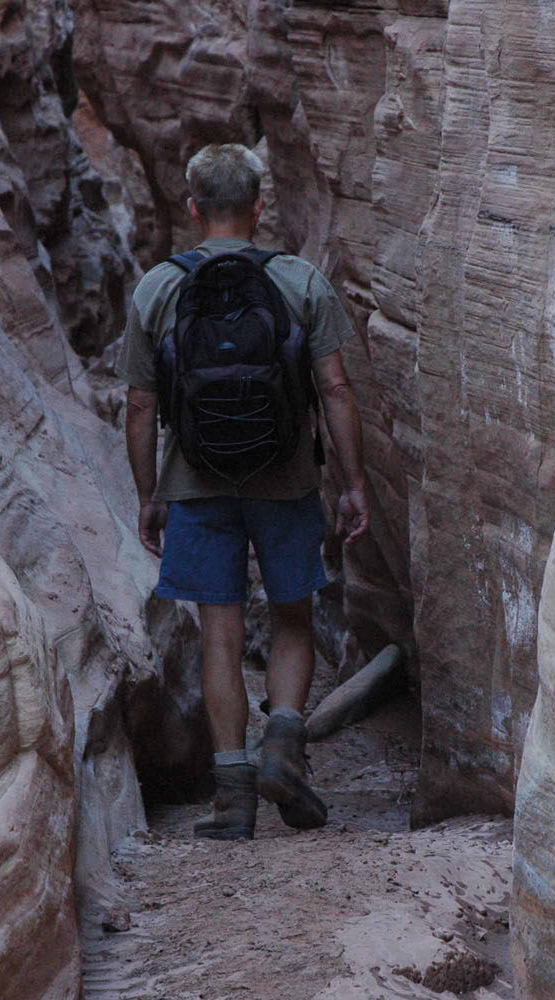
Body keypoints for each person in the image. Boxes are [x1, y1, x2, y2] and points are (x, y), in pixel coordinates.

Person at [117, 142, 370, 840]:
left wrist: (148, 495)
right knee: (292, 618)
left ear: (193, 207)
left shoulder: (157, 289)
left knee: (220, 636)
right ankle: (284, 743)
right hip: (287, 480)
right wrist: (352, 484)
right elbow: (335, 388)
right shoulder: (299, 281)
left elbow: (140, 403)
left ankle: (233, 797)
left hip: (196, 486)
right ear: (259, 206)